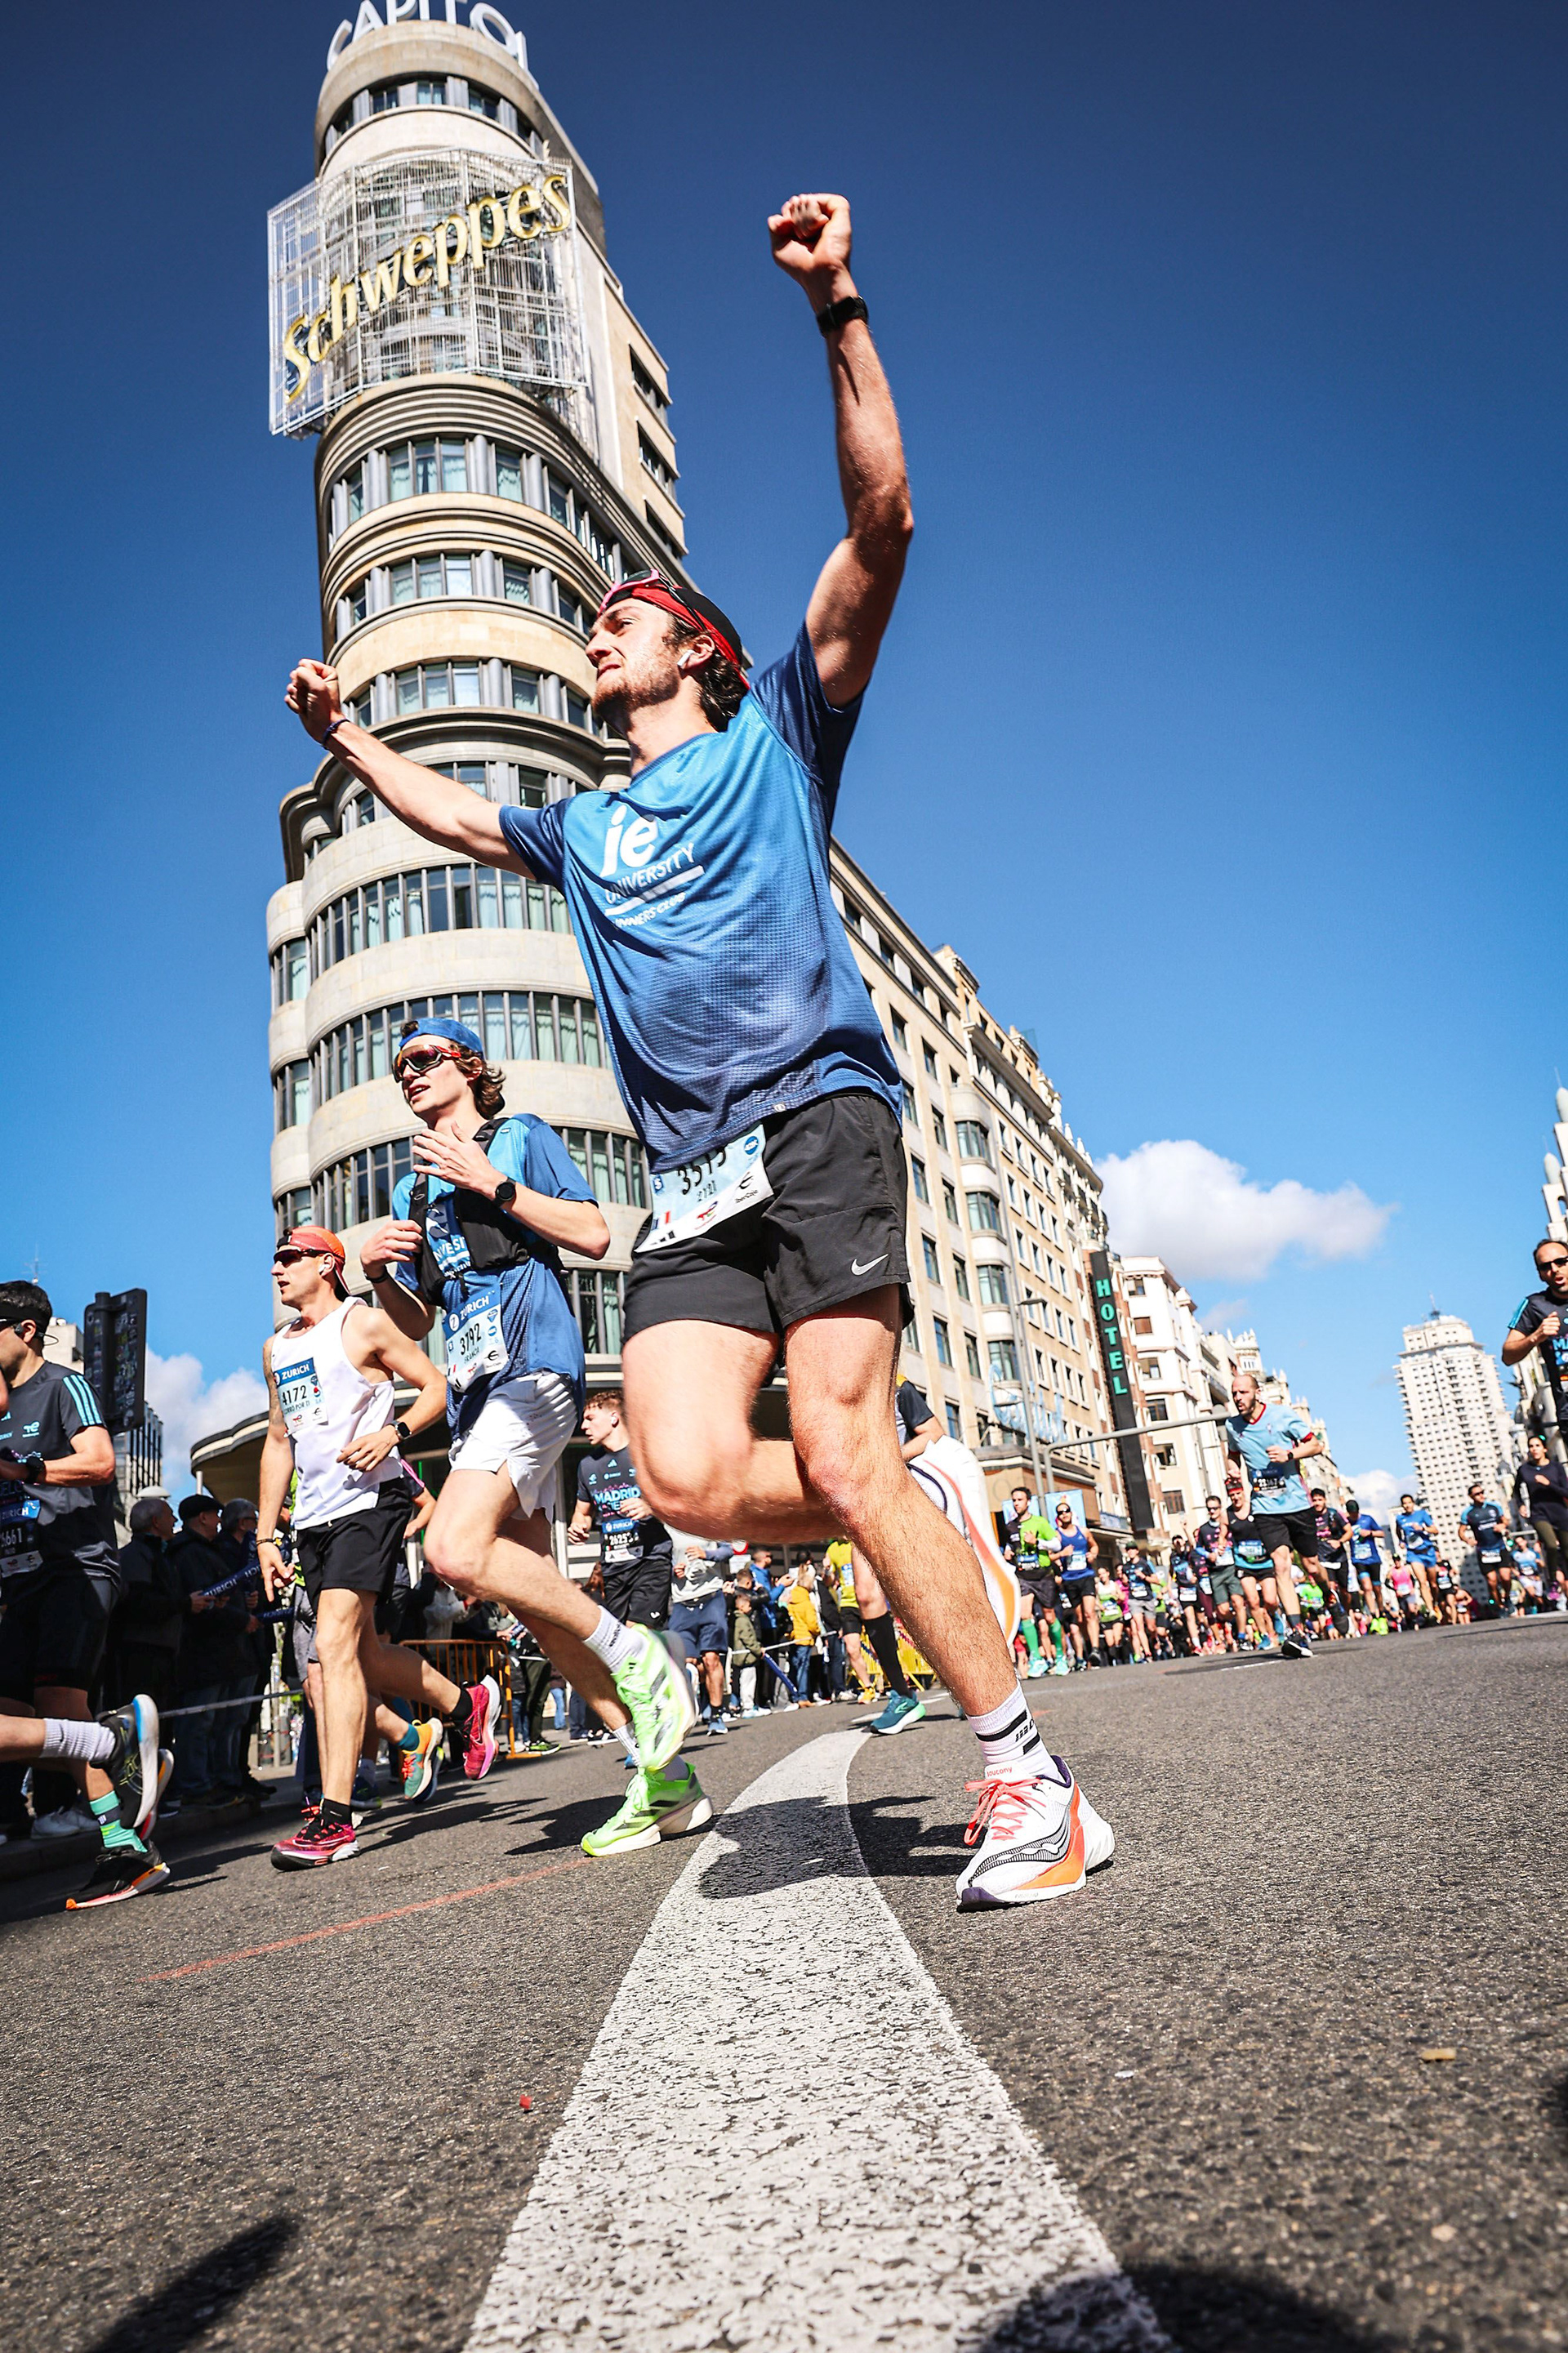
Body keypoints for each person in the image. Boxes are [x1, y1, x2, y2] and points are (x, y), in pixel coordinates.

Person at [287, 192, 1111, 1911]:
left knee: (838, 1432)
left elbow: (883, 517)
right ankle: (926, 1498)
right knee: (682, 1477)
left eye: (627, 612)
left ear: (700, 652)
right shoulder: (581, 829)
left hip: (817, 1116)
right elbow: (447, 810)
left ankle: (1030, 1779)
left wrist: (839, 307)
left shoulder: (779, 740)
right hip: (687, 1183)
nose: (599, 624)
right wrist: (354, 728)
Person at [357, 1023, 706, 1858]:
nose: (409, 1072)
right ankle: (661, 1780)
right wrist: (375, 1276)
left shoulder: (519, 1136)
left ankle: (642, 1658)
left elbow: (592, 1234)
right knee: (540, 1610)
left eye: (425, 1058)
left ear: (471, 1068)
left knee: (452, 1546)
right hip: (480, 1396)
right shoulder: (421, 1191)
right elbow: (420, 1320)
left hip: (536, 1369)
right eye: (399, 1065)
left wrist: (497, 1184)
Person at [258, 1225, 483, 1867]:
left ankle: (335, 1817)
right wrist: (269, 1535)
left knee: (329, 1652)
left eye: (290, 1259)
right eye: (274, 1261)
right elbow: (279, 1440)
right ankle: (464, 1704)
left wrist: (395, 1432)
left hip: (372, 1501)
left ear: (327, 1265)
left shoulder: (364, 1323)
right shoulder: (277, 1347)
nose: (278, 1271)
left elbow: (437, 1387)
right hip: (314, 1516)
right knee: (363, 1652)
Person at [0, 1281, 167, 1903]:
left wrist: (27, 1468)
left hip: (77, 1567)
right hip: (17, 1579)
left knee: (57, 1703)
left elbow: (99, 1461)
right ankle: (124, 1746)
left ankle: (125, 1844)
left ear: (25, 1329)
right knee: (16, 1719)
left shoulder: (63, 1384)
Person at [1224, 1370, 1323, 1656]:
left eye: (1243, 1392)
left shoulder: (1281, 1416)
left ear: (1257, 1393)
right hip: (1265, 1508)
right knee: (1281, 1564)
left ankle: (1330, 1595)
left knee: (1312, 1565)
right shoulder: (1232, 1426)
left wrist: (1289, 1455)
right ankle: (1297, 1633)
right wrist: (1233, 1469)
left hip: (1296, 1503)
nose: (1237, 1398)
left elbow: (1316, 1444)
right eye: (1234, 1393)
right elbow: (1233, 1455)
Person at [570, 1389, 675, 1641]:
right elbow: (581, 1513)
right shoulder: (588, 1465)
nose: (583, 1426)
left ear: (614, 1418)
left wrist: (651, 1506)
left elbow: (680, 1499)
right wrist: (578, 1526)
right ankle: (670, 1663)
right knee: (619, 1641)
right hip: (613, 1566)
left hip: (651, 1558)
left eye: (590, 1419)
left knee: (637, 1632)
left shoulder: (646, 1454)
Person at [113, 1495, 185, 1717]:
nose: (175, 1521)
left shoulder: (158, 1555)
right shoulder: (137, 1556)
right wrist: (185, 1603)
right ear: (156, 1522)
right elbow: (141, 1603)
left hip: (159, 1649)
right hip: (143, 1654)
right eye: (170, 1515)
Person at [1503, 1239, 1568, 1442]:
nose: (1555, 1270)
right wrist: (1536, 1336)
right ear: (1540, 1274)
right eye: (1546, 1266)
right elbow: (1507, 1355)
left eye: (1561, 1262)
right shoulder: (1534, 1306)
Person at [667, 1543, 733, 1733]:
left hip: (711, 1597)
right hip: (681, 1602)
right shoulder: (667, 1524)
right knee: (686, 1663)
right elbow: (659, 1559)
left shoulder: (709, 1519)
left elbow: (728, 1550)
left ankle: (716, 1714)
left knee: (711, 1658)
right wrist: (672, 1569)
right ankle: (696, 1705)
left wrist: (707, 1554)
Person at [1513, 1436, 1568, 1593]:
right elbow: (1516, 1491)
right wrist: (1521, 1505)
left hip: (1560, 1512)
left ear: (1544, 1449)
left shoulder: (1556, 1467)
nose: (1534, 1449)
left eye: (1537, 1445)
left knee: (1566, 1550)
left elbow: (1566, 1491)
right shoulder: (1524, 1469)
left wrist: (1548, 1484)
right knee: (1550, 1545)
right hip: (1539, 1514)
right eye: (1531, 1446)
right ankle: (1552, 1579)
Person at [1192, 1495, 1246, 1651]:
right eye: (1210, 1509)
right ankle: (1236, 1622)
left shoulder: (1229, 1522)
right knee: (1223, 1611)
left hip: (1232, 1568)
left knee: (1238, 1602)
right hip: (1215, 1572)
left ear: (1220, 1507)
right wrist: (1208, 1555)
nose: (1213, 1511)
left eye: (1215, 1508)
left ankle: (1242, 1637)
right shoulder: (1204, 1529)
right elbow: (1198, 1547)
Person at [1050, 1500, 1100, 1665]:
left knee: (1089, 1613)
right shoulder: (1056, 1536)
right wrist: (1062, 1553)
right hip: (1070, 1580)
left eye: (1066, 1510)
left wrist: (1092, 1555)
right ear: (1058, 1517)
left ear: (1071, 1513)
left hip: (1086, 1576)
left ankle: (1095, 1649)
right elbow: (1049, 1556)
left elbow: (1094, 1547)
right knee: (1080, 1618)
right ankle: (1089, 1648)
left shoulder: (1084, 1532)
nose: (1064, 1513)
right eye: (1060, 1512)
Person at [1459, 1482, 1512, 1615]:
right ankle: (1499, 1605)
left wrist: (1503, 1526)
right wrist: (1468, 1539)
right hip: (1484, 1551)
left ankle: (1507, 1597)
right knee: (1492, 1581)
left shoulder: (1494, 1507)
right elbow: (1461, 1531)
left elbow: (1505, 1520)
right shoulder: (1468, 1513)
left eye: (1482, 1492)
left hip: (1499, 1547)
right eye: (1477, 1494)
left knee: (1506, 1577)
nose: (1481, 1495)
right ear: (1471, 1496)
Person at [1393, 1495, 1438, 1620]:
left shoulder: (1422, 1514)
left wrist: (1422, 1528)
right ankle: (1430, 1611)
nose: (1407, 1505)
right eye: (1404, 1503)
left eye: (1409, 1503)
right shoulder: (1400, 1518)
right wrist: (1401, 1541)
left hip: (1428, 1551)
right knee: (1422, 1582)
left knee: (1433, 1584)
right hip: (1414, 1554)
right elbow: (1398, 1531)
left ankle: (1434, 1603)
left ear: (1413, 1503)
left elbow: (1435, 1530)